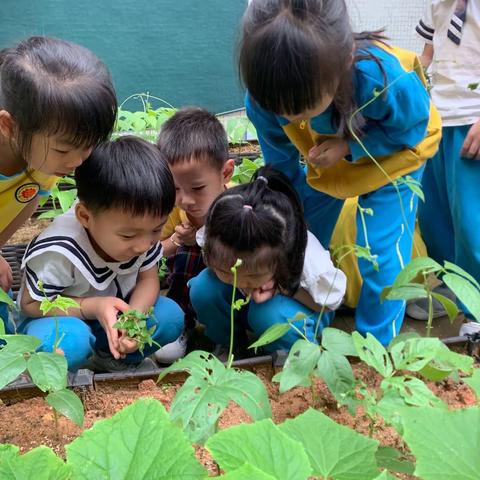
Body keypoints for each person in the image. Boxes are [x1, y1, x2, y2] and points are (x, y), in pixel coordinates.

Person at [238, 0, 442, 345]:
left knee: (379, 254)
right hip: (327, 163)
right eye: (279, 108)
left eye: (301, 107)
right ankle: (314, 314)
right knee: (304, 239)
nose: (290, 118)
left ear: (344, 61)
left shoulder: (382, 79)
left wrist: (349, 147)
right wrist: (287, 218)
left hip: (392, 156)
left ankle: (376, 350)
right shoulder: (263, 96)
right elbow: (282, 170)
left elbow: (411, 130)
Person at [17, 136, 184, 372]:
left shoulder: (141, 235)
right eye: (127, 236)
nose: (143, 245)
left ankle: (113, 358)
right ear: (85, 217)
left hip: (109, 319)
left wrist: (133, 319)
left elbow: (148, 279)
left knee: (170, 316)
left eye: (156, 229)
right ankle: (66, 369)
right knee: (66, 343)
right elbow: (31, 304)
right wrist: (91, 306)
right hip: (57, 322)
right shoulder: (60, 250)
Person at [0, 36, 117, 332]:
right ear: (9, 126)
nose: (77, 161)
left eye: (88, 146)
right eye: (65, 150)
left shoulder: (46, 157)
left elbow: (29, 200)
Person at [189, 167, 346, 355]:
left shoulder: (307, 260)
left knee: (266, 313)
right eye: (227, 272)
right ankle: (227, 343)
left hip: (302, 304)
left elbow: (328, 304)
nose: (239, 283)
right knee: (204, 288)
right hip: (252, 302)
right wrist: (246, 281)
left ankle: (292, 356)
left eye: (252, 276)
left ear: (280, 260)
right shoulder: (220, 236)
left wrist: (280, 288)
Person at [414, 0, 480, 333]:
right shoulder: (438, 4)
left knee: (471, 221)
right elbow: (426, 56)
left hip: (472, 120)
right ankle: (452, 285)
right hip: (437, 117)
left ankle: (476, 310)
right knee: (433, 212)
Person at [154, 107, 234, 362]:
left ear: (225, 173)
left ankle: (226, 335)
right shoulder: (174, 209)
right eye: (175, 188)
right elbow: (152, 250)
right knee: (185, 253)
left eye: (197, 188)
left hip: (229, 284)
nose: (185, 200)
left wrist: (200, 240)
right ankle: (182, 322)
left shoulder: (239, 206)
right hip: (187, 283)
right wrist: (178, 241)